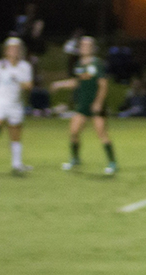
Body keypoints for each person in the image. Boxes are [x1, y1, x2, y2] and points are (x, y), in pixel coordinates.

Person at [50, 36, 118, 175]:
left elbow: (103, 85)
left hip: (96, 105)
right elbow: (76, 82)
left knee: (101, 133)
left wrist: (98, 103)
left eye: (87, 45)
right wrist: (59, 84)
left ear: (93, 48)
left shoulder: (98, 64)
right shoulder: (79, 65)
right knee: (74, 132)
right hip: (83, 104)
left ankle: (112, 163)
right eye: (82, 45)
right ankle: (75, 159)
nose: (84, 47)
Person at [0, 37, 33, 174]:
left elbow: (29, 86)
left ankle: (17, 164)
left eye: (17, 49)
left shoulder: (25, 67)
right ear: (6, 51)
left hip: (15, 104)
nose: (14, 51)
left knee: (15, 133)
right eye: (11, 48)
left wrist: (18, 79)